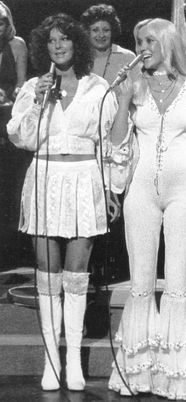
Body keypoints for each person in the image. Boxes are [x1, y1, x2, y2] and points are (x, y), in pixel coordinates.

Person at [7, 13, 126, 392]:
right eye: (52, 42)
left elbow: (110, 143)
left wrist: (112, 189)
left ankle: (73, 358)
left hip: (84, 180)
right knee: (47, 272)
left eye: (65, 40)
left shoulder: (97, 88)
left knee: (77, 274)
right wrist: (38, 101)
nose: (58, 46)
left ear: (77, 44)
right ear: (45, 47)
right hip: (44, 179)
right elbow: (21, 138)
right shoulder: (33, 87)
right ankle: (51, 360)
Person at [108, 18, 186, 399]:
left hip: (184, 190)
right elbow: (116, 142)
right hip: (141, 189)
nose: (141, 46)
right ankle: (139, 373)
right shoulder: (133, 86)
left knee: (178, 281)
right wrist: (124, 99)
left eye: (148, 40)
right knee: (141, 281)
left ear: (166, 44)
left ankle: (178, 377)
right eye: (138, 40)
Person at [80, 4, 137, 94]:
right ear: (87, 32)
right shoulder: (80, 57)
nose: (101, 35)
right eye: (95, 30)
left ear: (112, 31)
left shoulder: (128, 57)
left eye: (106, 30)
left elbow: (139, 92)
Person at [0, 1, 27, 100]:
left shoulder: (18, 45)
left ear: (8, 25)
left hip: (9, 102)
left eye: (0, 24)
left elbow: (21, 82)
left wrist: (17, 92)